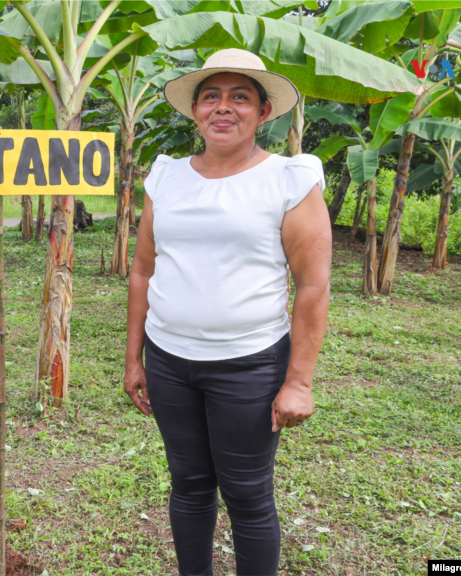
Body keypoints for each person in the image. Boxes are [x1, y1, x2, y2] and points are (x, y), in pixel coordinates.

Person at [123, 48, 331, 576]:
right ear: (194, 110)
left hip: (250, 364)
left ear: (263, 112)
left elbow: (312, 285)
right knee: (188, 484)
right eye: (211, 96)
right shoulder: (165, 178)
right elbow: (143, 270)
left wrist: (299, 382)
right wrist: (134, 358)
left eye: (240, 97)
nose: (224, 108)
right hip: (170, 361)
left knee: (246, 492)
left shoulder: (289, 179)